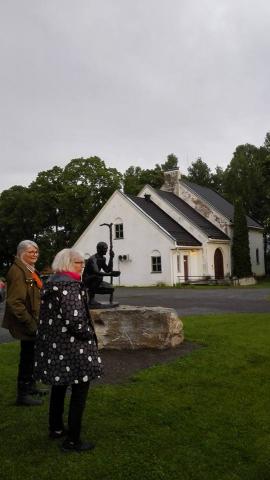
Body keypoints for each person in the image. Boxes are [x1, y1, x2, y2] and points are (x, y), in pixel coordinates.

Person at [34, 248, 103, 452]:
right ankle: (73, 440)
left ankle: (55, 428)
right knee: (79, 390)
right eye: (78, 262)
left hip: (57, 347)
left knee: (59, 385)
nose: (83, 266)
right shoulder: (70, 286)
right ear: (67, 263)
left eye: (82, 262)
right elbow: (75, 320)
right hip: (74, 348)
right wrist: (89, 335)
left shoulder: (52, 283)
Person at [2, 240, 44, 406]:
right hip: (27, 323)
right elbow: (15, 303)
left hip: (33, 321)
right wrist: (31, 324)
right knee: (27, 358)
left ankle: (31, 386)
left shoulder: (28, 269)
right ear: (21, 253)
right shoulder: (18, 271)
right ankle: (23, 395)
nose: (35, 254)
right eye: (31, 252)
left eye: (36, 252)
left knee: (31, 356)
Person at [82, 241, 120, 306]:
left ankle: (92, 290)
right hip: (87, 279)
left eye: (107, 248)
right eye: (105, 248)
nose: (106, 250)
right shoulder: (93, 259)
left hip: (95, 279)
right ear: (99, 249)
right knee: (99, 276)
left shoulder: (103, 258)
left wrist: (111, 258)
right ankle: (91, 299)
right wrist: (111, 274)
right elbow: (97, 272)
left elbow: (107, 270)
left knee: (111, 288)